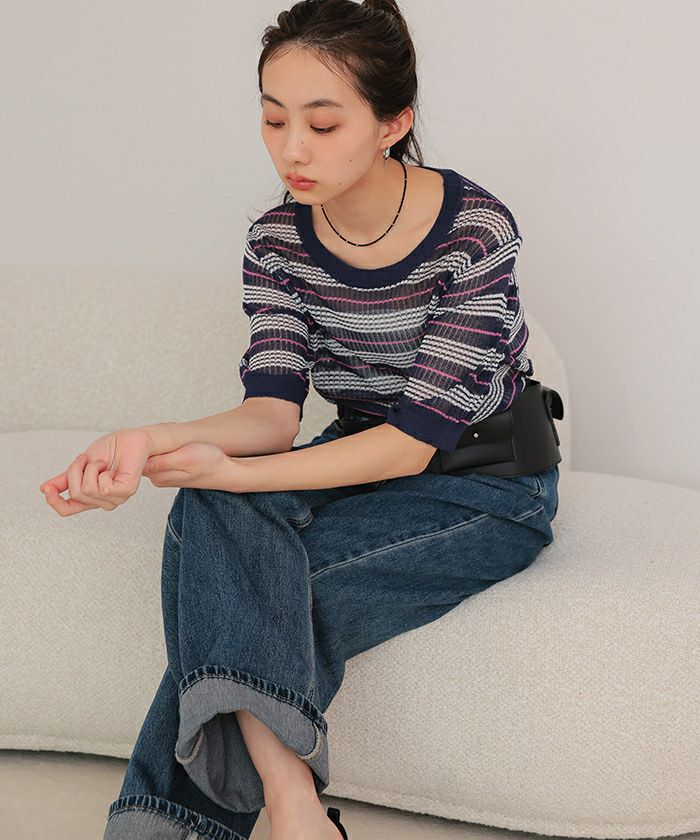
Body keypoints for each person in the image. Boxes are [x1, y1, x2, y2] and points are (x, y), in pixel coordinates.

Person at [39, 2, 560, 838]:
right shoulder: (277, 241)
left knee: (236, 583)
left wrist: (229, 472)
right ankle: (297, 810)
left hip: (486, 484)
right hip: (352, 461)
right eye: (273, 118)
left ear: (394, 123)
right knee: (215, 511)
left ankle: (183, 825)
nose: (291, 150)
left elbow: (410, 442)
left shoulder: (474, 230)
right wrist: (149, 440)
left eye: (322, 124)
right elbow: (272, 416)